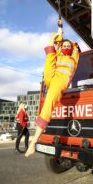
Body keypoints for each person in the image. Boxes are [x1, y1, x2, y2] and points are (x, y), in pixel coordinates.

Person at [25, 21, 80, 157]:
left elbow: (72, 47)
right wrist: (60, 28)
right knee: (51, 53)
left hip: (60, 81)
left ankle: (33, 142)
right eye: (65, 46)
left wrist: (72, 45)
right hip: (51, 76)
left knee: (48, 102)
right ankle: (51, 38)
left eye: (69, 46)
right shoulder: (59, 54)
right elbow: (59, 41)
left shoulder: (74, 58)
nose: (66, 47)